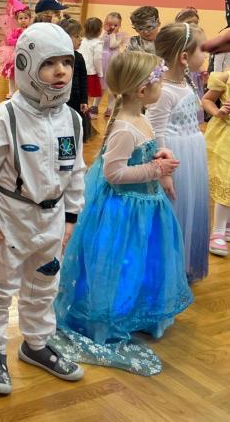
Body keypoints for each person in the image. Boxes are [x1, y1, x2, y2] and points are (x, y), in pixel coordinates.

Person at [54, 51, 192, 375]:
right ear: (142, 91)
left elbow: (144, 152)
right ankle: (108, 316)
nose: (162, 87)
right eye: (158, 82)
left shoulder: (142, 118)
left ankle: (137, 310)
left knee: (142, 261)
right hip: (124, 211)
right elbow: (114, 174)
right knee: (120, 262)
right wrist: (156, 169)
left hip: (146, 207)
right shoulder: (125, 129)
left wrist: (160, 156)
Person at [0, 23, 86, 395]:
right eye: (49, 63)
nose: (60, 71)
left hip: (52, 219)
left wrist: (71, 216)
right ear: (26, 64)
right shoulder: (5, 117)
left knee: (44, 285)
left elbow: (75, 172)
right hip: (10, 217)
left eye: (66, 62)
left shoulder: (72, 119)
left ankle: (36, 344)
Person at [148, 23, 208, 281]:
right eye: (202, 49)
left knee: (190, 206)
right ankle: (165, 273)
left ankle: (181, 266)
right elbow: (156, 132)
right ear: (184, 57)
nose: (205, 54)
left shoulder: (186, 81)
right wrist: (164, 172)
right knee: (174, 209)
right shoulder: (163, 91)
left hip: (192, 153)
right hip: (174, 158)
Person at [202, 57, 230, 257]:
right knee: (226, 181)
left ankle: (226, 224)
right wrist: (218, 112)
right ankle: (218, 229)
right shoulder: (226, 76)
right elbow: (207, 100)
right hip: (226, 137)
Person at [60, 18, 92, 140]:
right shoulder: (56, 57)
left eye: (80, 36)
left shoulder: (78, 58)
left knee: (72, 127)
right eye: (77, 36)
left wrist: (84, 100)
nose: (81, 39)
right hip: (60, 99)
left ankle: (70, 147)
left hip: (75, 99)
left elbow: (84, 80)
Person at [0, 0, 31, 99]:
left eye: (26, 18)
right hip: (15, 55)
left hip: (27, 55)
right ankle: (11, 92)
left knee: (24, 75)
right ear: (17, 20)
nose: (23, 20)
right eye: (21, 18)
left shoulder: (31, 30)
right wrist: (19, 41)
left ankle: (23, 92)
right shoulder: (16, 31)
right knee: (12, 74)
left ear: (30, 19)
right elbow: (10, 40)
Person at [100, 12, 128, 117]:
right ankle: (94, 106)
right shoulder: (103, 34)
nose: (112, 27)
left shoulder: (120, 36)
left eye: (115, 25)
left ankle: (110, 108)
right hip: (102, 62)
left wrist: (112, 34)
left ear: (120, 25)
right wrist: (104, 32)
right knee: (100, 87)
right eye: (109, 24)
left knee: (111, 88)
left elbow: (112, 45)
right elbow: (99, 42)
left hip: (113, 63)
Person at [80, 17, 104, 118]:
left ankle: (81, 111)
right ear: (99, 30)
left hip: (80, 70)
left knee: (81, 93)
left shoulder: (82, 40)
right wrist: (100, 72)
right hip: (90, 72)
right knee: (88, 96)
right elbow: (97, 59)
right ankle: (86, 113)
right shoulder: (97, 43)